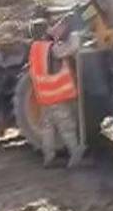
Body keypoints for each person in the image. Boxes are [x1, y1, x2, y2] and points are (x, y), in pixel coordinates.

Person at [26, 18, 85, 167]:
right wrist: (76, 35)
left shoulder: (34, 48)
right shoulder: (51, 48)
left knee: (48, 127)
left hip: (44, 97)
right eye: (49, 27)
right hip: (56, 96)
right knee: (66, 126)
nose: (52, 29)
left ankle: (48, 157)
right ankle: (75, 154)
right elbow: (72, 49)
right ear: (45, 31)